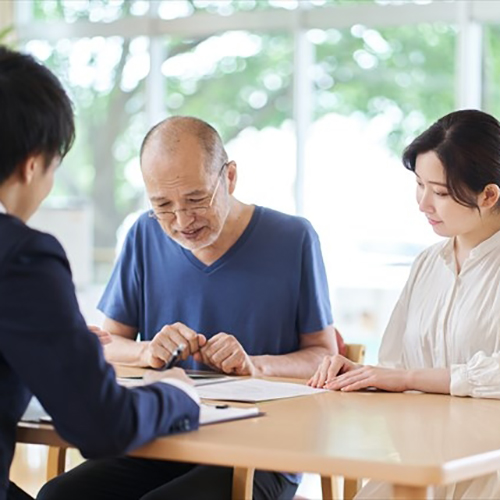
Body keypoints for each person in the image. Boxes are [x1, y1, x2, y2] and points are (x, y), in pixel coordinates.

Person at [38, 116, 343, 500]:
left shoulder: (293, 237)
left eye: (196, 200)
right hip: (165, 434)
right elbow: (107, 343)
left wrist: (256, 364)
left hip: (264, 449)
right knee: (58, 497)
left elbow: (324, 355)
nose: (182, 221)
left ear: (229, 178)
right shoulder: (143, 235)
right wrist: (147, 351)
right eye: (162, 205)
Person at [0, 45, 200, 500]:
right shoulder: (22, 255)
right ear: (33, 164)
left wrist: (50, 345)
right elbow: (102, 425)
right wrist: (176, 394)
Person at [309, 109, 500, 500]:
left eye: (441, 193)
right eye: (419, 185)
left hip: (487, 471)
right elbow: (397, 365)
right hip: (422, 461)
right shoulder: (429, 263)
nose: (423, 203)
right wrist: (365, 376)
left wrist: (409, 379)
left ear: (490, 194)